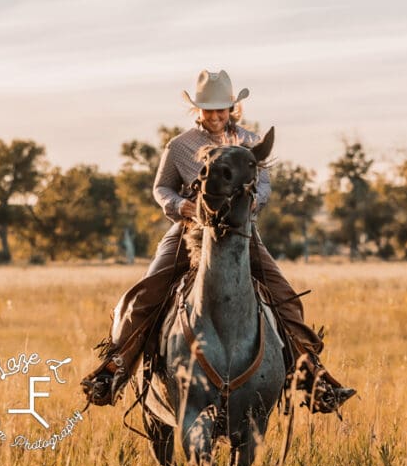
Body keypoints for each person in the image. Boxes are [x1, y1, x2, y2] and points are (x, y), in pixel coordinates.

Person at [81, 69, 355, 412]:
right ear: (197, 110)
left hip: (241, 233)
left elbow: (265, 185)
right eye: (207, 109)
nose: (214, 116)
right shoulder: (179, 146)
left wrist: (255, 201)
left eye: (220, 109)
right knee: (144, 294)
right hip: (188, 231)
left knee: (285, 297)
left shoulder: (250, 143)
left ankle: (313, 378)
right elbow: (161, 187)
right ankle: (114, 371)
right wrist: (183, 206)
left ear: (232, 109)